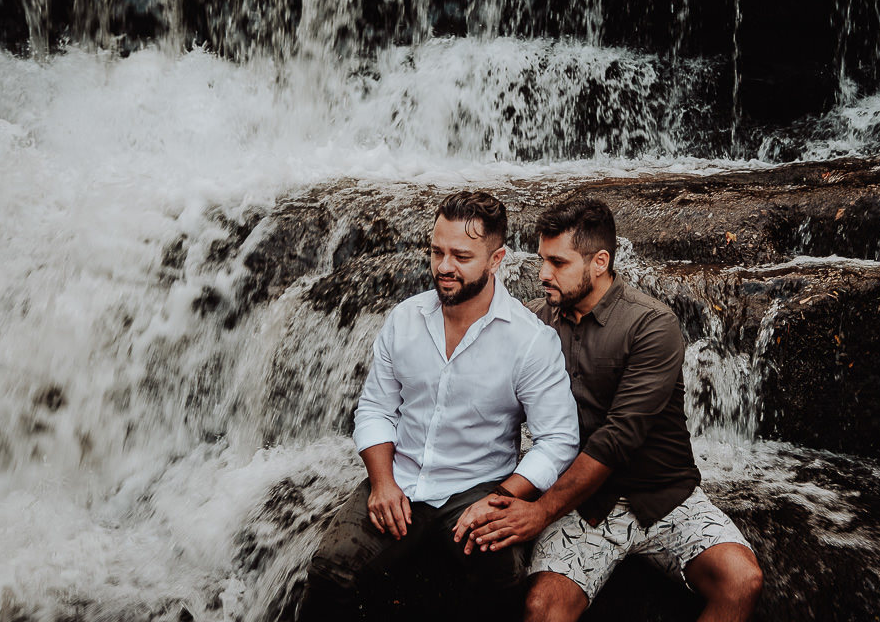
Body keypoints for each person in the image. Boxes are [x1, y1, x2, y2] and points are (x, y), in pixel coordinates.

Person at [465, 198, 764, 622]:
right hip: (582, 506)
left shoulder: (651, 324)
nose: (543, 273)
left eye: (558, 262)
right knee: (543, 608)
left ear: (600, 262)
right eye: (542, 259)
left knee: (742, 580)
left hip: (664, 496)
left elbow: (619, 437)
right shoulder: (532, 325)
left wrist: (539, 512)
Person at [297, 190, 579, 620]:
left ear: (496, 259)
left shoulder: (530, 341)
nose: (444, 266)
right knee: (330, 572)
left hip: (477, 485)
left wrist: (504, 496)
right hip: (402, 476)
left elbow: (558, 439)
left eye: (461, 256)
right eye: (437, 252)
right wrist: (382, 483)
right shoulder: (405, 319)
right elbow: (375, 408)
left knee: (499, 577)